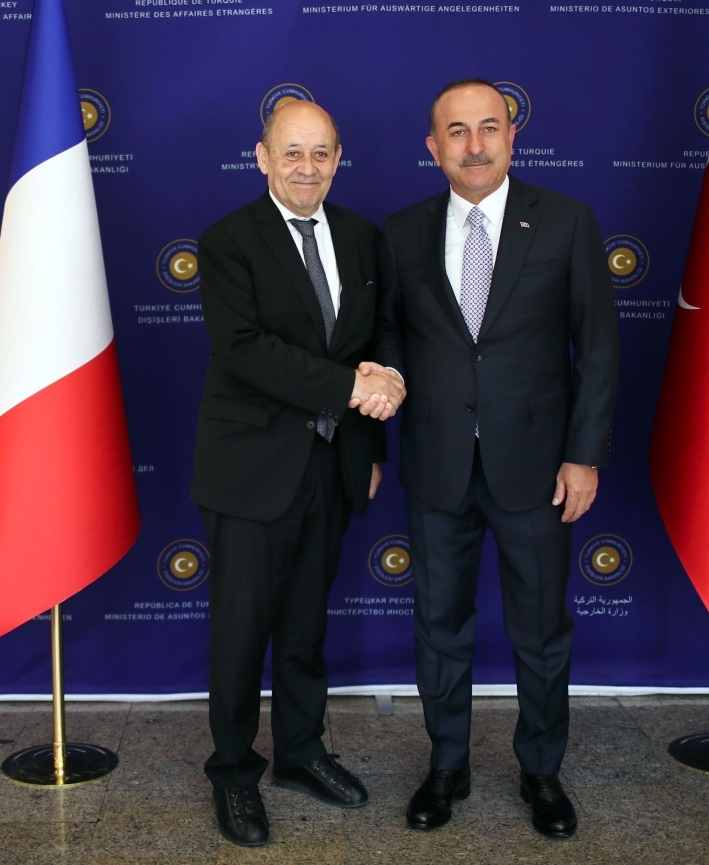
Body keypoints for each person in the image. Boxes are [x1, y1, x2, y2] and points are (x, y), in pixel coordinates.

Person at [370, 78, 618, 839]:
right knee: (438, 624)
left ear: (513, 137)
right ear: (434, 147)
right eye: (456, 131)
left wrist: (583, 455)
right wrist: (377, 416)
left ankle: (541, 770)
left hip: (537, 470)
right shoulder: (402, 232)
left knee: (541, 631)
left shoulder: (567, 222)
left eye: (488, 128)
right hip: (438, 466)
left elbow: (598, 348)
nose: (473, 145)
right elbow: (386, 343)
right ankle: (447, 766)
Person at [190, 99, 405, 848]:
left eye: (320, 153)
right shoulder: (227, 241)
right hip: (253, 469)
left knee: (306, 629)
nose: (306, 167)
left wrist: (371, 444)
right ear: (262, 156)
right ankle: (234, 773)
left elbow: (373, 341)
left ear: (338, 157)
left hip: (333, 465)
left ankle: (302, 752)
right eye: (292, 152)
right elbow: (245, 349)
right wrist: (350, 388)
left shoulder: (359, 235)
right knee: (242, 634)